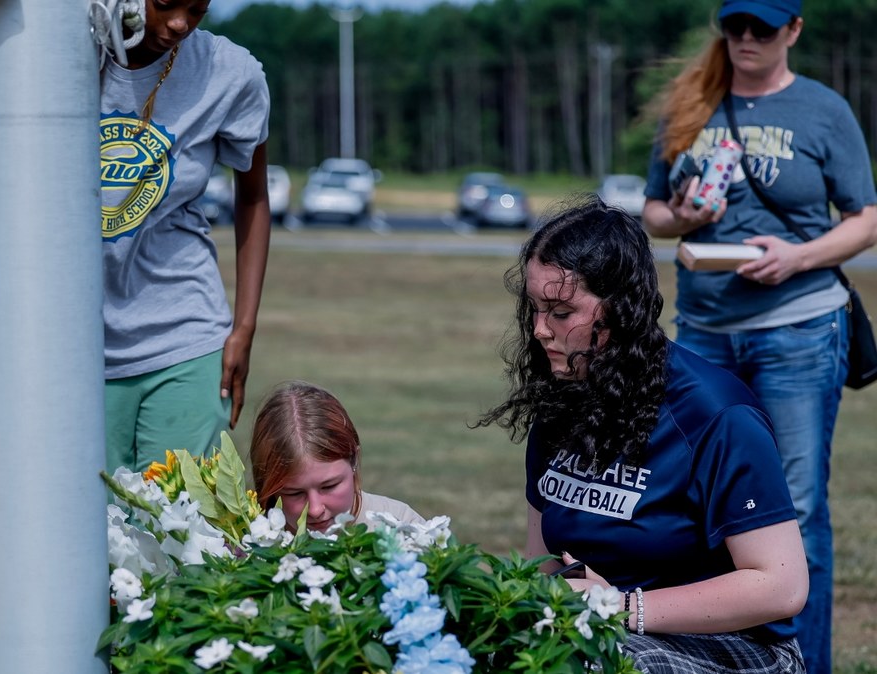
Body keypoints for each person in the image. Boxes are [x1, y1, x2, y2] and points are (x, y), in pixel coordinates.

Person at [640, 1, 877, 670]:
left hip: (797, 328)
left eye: (762, 29)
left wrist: (797, 257)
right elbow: (653, 210)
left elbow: (865, 220)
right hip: (704, 333)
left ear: (793, 31)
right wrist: (681, 214)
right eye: (734, 26)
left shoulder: (824, 110)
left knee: (796, 513)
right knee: (704, 510)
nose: (746, 39)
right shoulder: (692, 100)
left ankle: (809, 662)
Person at [479, 198, 808, 672]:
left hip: (740, 647)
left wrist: (621, 607)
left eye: (561, 311)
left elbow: (782, 586)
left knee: (605, 665)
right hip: (603, 631)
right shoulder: (561, 399)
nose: (539, 331)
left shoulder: (717, 413)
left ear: (621, 309)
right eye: (534, 308)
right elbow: (543, 568)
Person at [100, 0, 272, 473]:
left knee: (180, 533)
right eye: (163, 4)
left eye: (197, 9)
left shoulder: (229, 73)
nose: (178, 24)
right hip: (71, 345)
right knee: (82, 531)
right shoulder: (56, 55)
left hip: (185, 334)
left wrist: (244, 328)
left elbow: (254, 197)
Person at [249, 381, 424, 532]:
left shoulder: (402, 527)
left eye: (329, 486)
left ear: (354, 459)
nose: (315, 510)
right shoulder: (241, 542)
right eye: (295, 493)